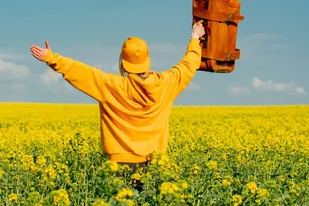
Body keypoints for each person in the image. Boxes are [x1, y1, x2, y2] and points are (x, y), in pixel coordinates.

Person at [29, 21, 206, 181]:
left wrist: (52, 59)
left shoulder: (112, 86)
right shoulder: (166, 83)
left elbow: (81, 72)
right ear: (147, 60)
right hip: (156, 165)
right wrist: (195, 38)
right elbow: (188, 65)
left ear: (123, 63)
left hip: (119, 165)